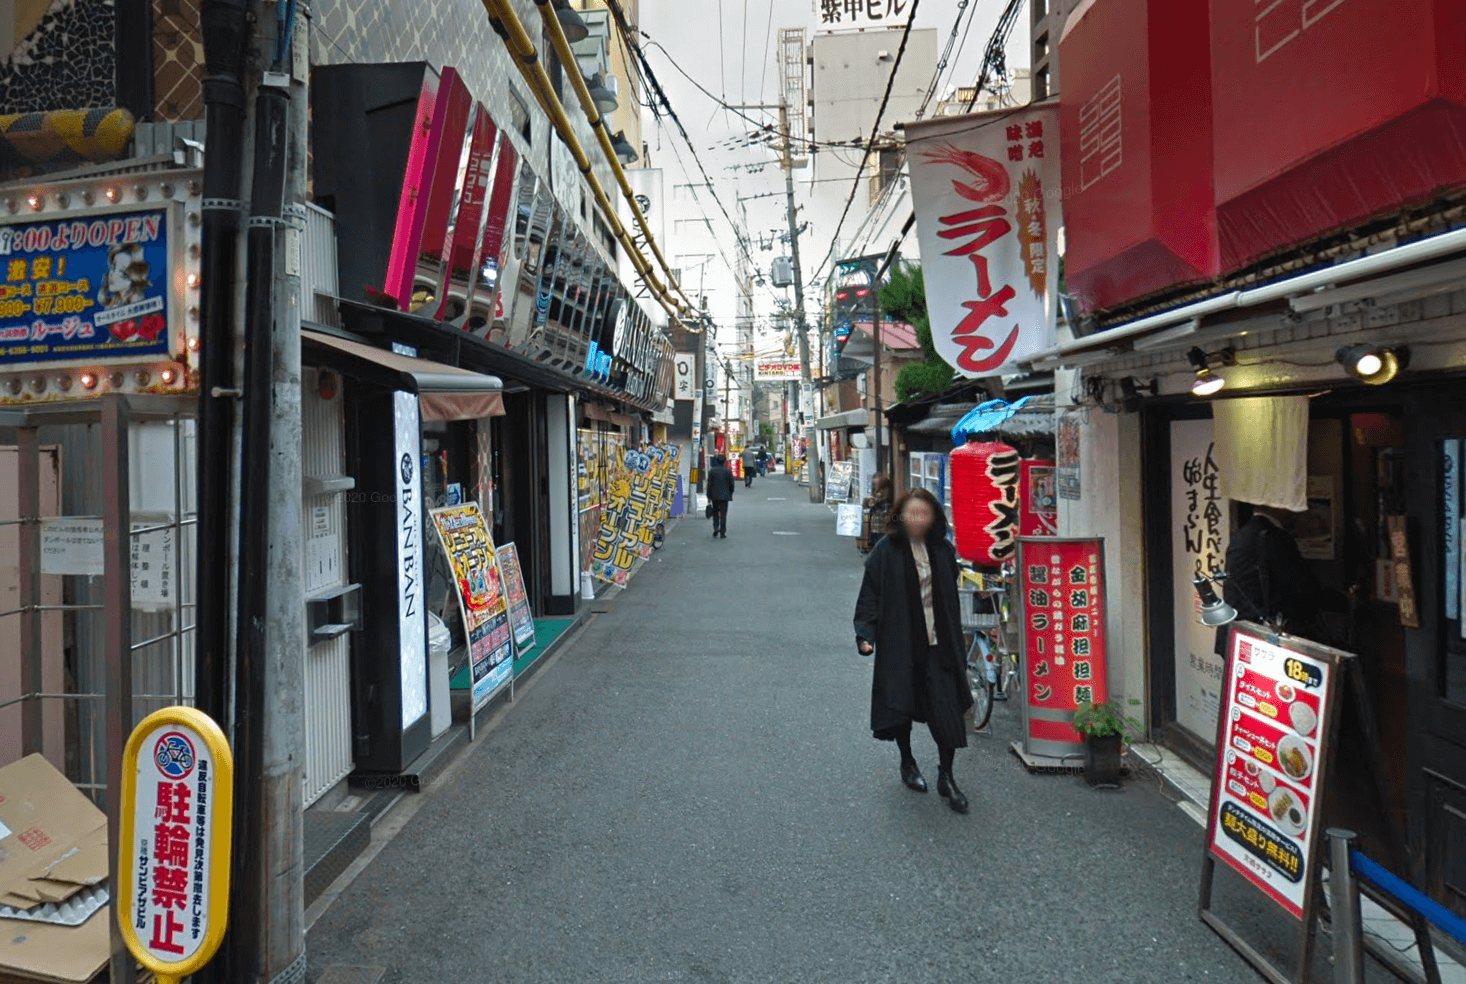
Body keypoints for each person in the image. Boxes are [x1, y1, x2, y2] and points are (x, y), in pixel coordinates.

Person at [853, 488, 973, 814]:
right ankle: (908, 763)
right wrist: (866, 635)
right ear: (900, 517)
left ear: (933, 516)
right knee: (900, 707)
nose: (917, 519)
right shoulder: (885, 552)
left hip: (940, 646)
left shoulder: (943, 550)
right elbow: (870, 598)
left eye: (924, 513)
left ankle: (946, 776)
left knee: (947, 712)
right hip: (900, 645)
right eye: (912, 513)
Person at [1215, 503, 1351, 655]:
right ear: (1277, 506)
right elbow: (1303, 588)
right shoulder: (1275, 537)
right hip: (1261, 638)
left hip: (1236, 633)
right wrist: (1344, 601)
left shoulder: (1241, 533)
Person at [863, 473, 894, 554]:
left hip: (878, 522)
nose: (874, 484)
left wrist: (867, 499)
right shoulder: (889, 493)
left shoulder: (880, 494)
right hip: (884, 522)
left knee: (878, 543)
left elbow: (869, 504)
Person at [706, 455, 735, 539]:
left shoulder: (712, 471)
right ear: (725, 461)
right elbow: (731, 484)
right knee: (723, 514)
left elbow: (709, 484)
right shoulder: (728, 471)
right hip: (725, 496)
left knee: (715, 512)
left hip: (714, 495)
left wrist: (708, 495)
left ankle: (716, 527)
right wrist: (730, 493)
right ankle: (723, 532)